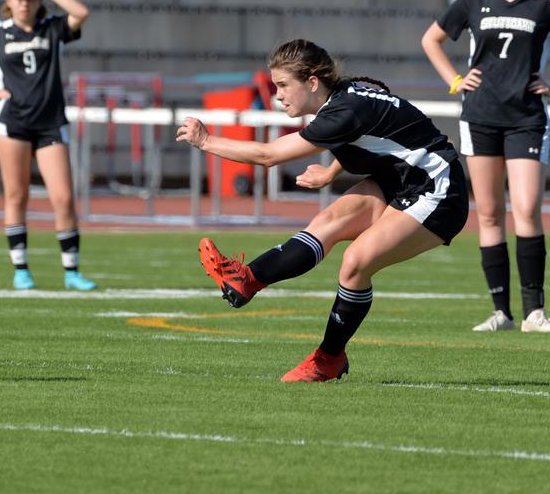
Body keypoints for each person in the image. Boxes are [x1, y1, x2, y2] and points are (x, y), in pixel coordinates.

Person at [176, 39, 469, 382]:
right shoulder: (342, 98)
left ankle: (328, 358)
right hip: (399, 179)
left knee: (356, 262)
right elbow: (370, 136)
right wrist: (330, 172)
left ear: (312, 82)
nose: (278, 95)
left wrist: (206, 141)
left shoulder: (344, 110)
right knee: (326, 223)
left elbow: (267, 156)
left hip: (439, 188)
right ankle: (248, 278)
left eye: (284, 85)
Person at [422, 0, 550, 333]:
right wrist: (455, 81)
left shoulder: (544, 1)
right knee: (490, 213)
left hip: (527, 117)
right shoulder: (474, 0)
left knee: (526, 208)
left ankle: (535, 312)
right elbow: (431, 39)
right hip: (480, 116)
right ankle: (501, 312)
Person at [0, 0, 97, 291]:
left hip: (49, 122)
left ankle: (71, 271)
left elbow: (82, 12)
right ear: (8, 2)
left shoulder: (53, 28)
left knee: (63, 198)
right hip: (12, 123)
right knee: (17, 195)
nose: (24, 1)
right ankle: (21, 269)